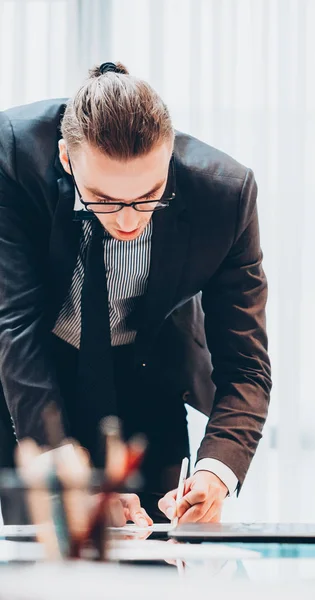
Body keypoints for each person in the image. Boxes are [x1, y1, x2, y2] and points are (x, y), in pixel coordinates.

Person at [0, 62, 271, 525]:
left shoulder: (225, 196)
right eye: (104, 199)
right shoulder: (12, 157)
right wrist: (64, 469)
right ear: (67, 159)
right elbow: (15, 323)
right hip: (31, 384)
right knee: (44, 567)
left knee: (163, 560)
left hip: (149, 377)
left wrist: (216, 471)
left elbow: (245, 363)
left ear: (169, 157)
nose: (128, 221)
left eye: (148, 195)